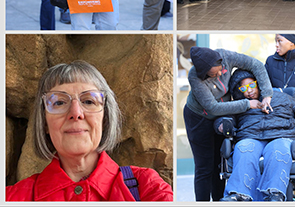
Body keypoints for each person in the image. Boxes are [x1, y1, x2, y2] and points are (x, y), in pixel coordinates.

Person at [6, 61, 173, 201]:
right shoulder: (13, 198)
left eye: (88, 101)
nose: (76, 113)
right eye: (59, 102)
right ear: (44, 123)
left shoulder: (147, 187)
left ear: (105, 119)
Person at [222, 69, 295, 201]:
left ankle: (274, 195)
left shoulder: (281, 97)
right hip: (251, 136)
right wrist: (221, 125)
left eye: (252, 85)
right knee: (244, 148)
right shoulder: (240, 104)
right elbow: (225, 118)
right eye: (243, 88)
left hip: (281, 134)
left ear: (259, 83)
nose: (249, 90)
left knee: (278, 150)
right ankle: (238, 195)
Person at [184, 46, 272, 201]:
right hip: (199, 118)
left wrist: (266, 94)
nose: (220, 74)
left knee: (219, 165)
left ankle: (219, 201)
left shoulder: (225, 56)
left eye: (220, 70)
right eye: (213, 74)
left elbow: (256, 65)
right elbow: (213, 107)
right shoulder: (194, 77)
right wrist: (247, 104)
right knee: (204, 167)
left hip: (223, 115)